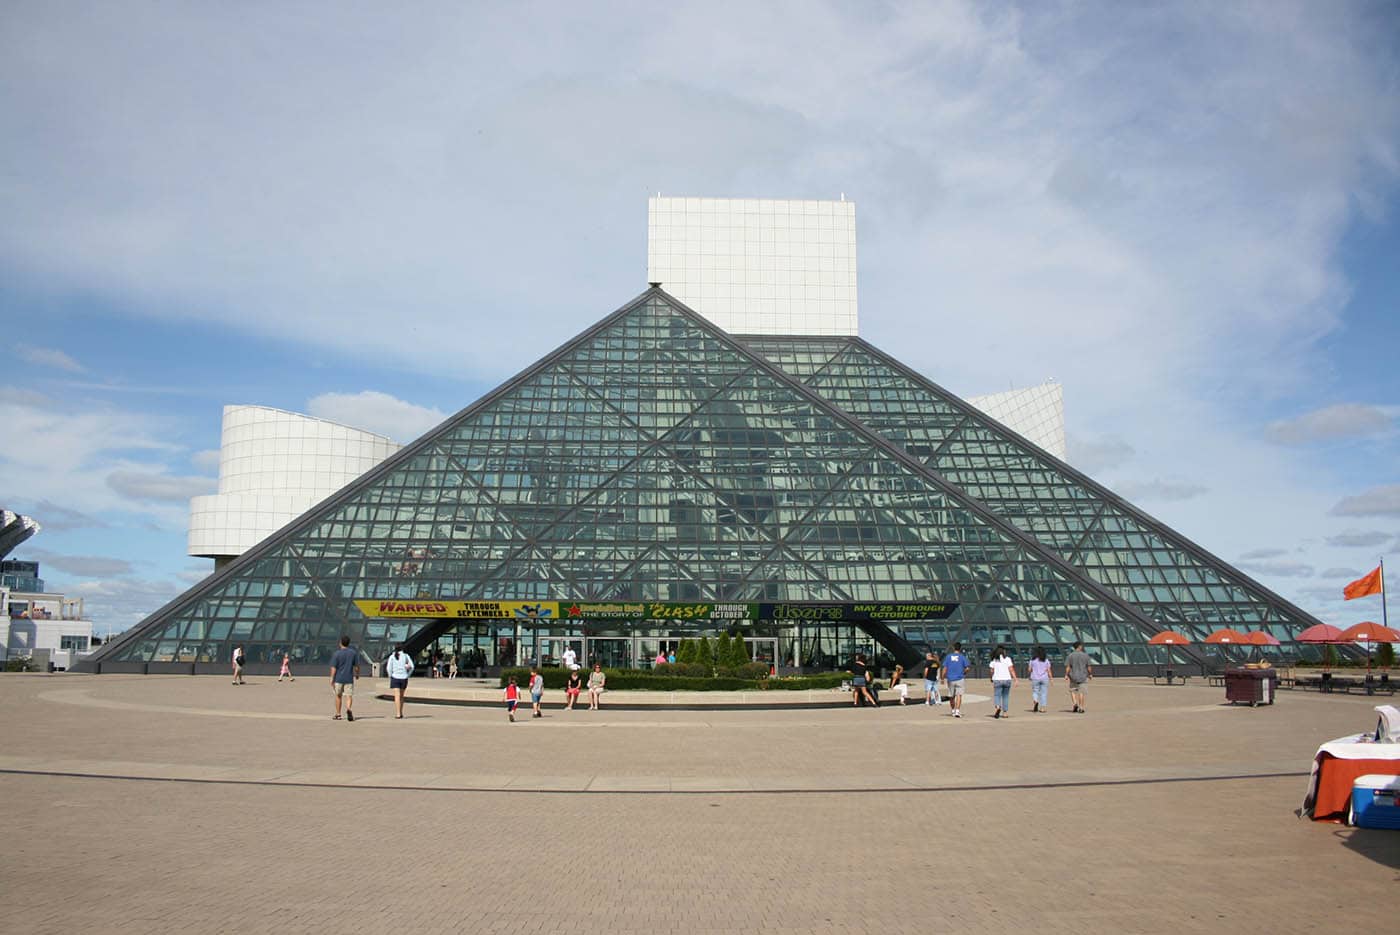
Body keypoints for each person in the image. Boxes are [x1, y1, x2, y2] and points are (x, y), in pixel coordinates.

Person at [330, 635, 359, 721]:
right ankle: (349, 709)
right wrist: (357, 674)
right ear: (348, 643)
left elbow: (333, 667)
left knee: (338, 696)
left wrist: (331, 678)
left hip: (338, 678)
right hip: (349, 678)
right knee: (349, 696)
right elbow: (356, 666)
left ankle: (338, 714)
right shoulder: (353, 653)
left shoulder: (337, 654)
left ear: (340, 643)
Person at [941, 642, 969, 718]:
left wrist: (942, 678)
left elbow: (944, 668)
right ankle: (957, 711)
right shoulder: (962, 657)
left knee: (951, 696)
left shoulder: (948, 657)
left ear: (953, 648)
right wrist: (963, 673)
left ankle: (953, 710)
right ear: (960, 648)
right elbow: (967, 668)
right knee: (959, 695)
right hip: (960, 678)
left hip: (950, 678)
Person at [385, 644, 414, 719]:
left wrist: (390, 675)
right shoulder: (406, 656)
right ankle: (401, 711)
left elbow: (388, 668)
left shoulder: (392, 656)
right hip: (404, 677)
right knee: (401, 696)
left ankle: (398, 713)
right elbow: (412, 666)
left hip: (395, 677)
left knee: (397, 696)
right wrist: (408, 674)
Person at [988, 645, 1016, 718]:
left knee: (997, 695)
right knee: (1005, 696)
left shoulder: (994, 660)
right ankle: (1005, 713)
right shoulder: (1007, 659)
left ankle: (998, 707)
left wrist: (991, 678)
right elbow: (1011, 669)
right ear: (1004, 651)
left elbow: (991, 671)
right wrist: (1015, 679)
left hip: (997, 680)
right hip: (1007, 679)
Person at [1066, 641, 1093, 713]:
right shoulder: (1086, 655)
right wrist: (1090, 674)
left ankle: (1075, 704)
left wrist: (1066, 675)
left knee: (1072, 691)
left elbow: (1068, 667)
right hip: (1083, 676)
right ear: (1079, 646)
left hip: (1073, 676)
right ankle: (1081, 707)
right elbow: (1089, 667)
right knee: (1081, 692)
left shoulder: (1070, 656)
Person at [1027, 646, 1052, 713]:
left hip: (1035, 678)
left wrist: (1031, 673)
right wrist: (1051, 678)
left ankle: (1036, 701)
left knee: (1035, 691)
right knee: (1044, 693)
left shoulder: (1032, 660)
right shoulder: (1046, 660)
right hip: (1044, 678)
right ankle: (1042, 708)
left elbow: (1029, 670)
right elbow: (1049, 670)